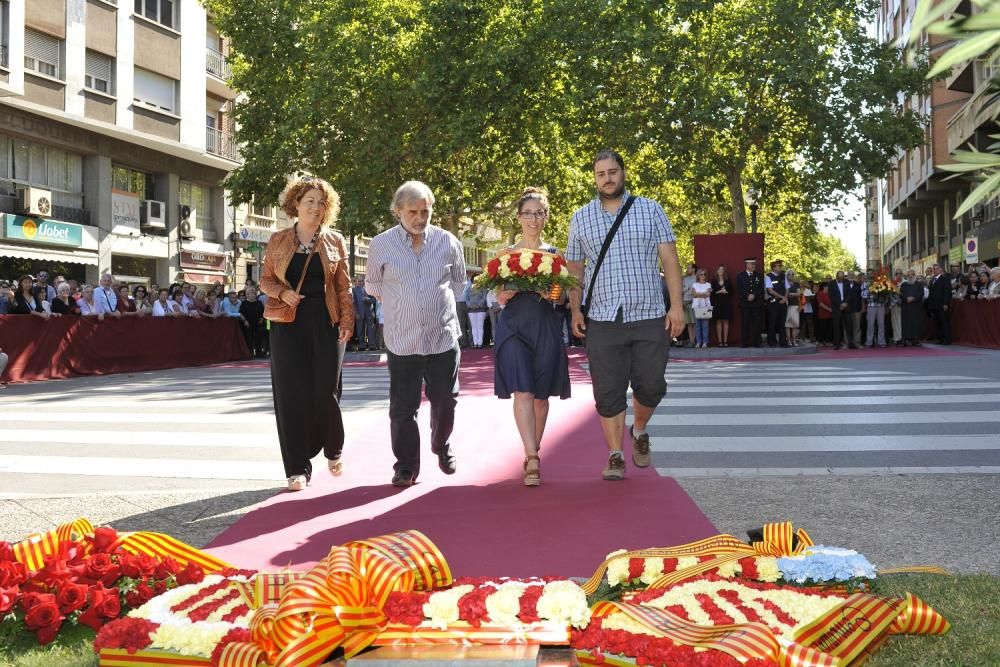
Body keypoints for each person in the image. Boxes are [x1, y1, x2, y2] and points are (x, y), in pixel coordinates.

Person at [566, 150, 684, 481]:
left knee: (652, 386)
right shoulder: (581, 218)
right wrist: (576, 309)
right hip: (602, 317)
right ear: (594, 178)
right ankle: (615, 454)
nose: (607, 178)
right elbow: (574, 269)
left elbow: (670, 261)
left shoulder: (651, 209)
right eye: (601, 173)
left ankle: (640, 428)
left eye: (613, 171)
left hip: (648, 313)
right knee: (607, 390)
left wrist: (677, 306)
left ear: (623, 173)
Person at [365, 180, 466, 488]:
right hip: (403, 340)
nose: (421, 217)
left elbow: (459, 285)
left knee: (445, 400)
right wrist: (403, 303)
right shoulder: (380, 244)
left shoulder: (449, 242)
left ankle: (441, 444)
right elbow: (372, 285)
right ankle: (406, 466)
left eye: (426, 210)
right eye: (413, 211)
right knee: (403, 409)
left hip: (442, 337)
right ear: (398, 212)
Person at [260, 176, 353, 491]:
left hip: (326, 321)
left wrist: (347, 321)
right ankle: (297, 469)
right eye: (309, 201)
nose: (315, 207)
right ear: (295, 205)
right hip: (288, 324)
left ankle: (333, 448)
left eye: (321, 202)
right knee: (291, 394)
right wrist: (282, 293)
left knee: (327, 390)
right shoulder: (278, 240)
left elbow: (343, 286)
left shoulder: (335, 241)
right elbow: (265, 280)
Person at [492, 187, 571, 486]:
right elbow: (498, 297)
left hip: (545, 327)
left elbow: (560, 296)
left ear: (546, 217)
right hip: (513, 327)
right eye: (528, 213)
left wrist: (546, 291)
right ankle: (533, 458)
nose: (533, 219)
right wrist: (505, 293)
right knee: (522, 390)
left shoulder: (554, 255)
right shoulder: (505, 255)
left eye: (539, 213)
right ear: (519, 217)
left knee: (540, 398)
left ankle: (532, 451)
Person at [737, 257, 765, 347]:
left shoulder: (759, 275)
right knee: (745, 322)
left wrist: (754, 295)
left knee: (757, 323)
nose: (753, 266)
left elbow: (761, 288)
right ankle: (744, 342)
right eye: (751, 264)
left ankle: (757, 342)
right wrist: (747, 295)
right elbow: (739, 288)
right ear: (747, 265)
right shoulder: (740, 275)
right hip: (745, 303)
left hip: (756, 303)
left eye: (754, 264)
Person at [828, 271, 856, 349]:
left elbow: (850, 294)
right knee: (837, 326)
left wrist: (845, 303)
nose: (841, 279)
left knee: (849, 325)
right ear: (836, 276)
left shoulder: (847, 282)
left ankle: (851, 343)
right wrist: (840, 304)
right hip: (837, 307)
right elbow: (831, 295)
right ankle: (837, 344)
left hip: (846, 307)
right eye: (840, 278)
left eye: (842, 277)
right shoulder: (831, 284)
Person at [926, 263, 951, 345]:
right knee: (937, 322)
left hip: (941, 304)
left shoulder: (944, 279)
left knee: (944, 322)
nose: (935, 270)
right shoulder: (933, 280)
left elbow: (947, 292)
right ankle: (940, 339)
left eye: (937, 268)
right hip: (934, 305)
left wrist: (946, 303)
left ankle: (947, 339)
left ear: (941, 269)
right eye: (934, 269)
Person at [765, 260, 789, 347]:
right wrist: (782, 297)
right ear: (773, 267)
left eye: (780, 266)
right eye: (777, 266)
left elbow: (787, 288)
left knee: (782, 323)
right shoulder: (768, 277)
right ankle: (772, 341)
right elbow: (770, 290)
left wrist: (785, 298)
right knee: (773, 322)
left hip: (783, 303)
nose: (779, 267)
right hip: (773, 303)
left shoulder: (783, 276)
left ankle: (783, 342)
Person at [239, 285, 268, 357]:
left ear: (255, 294)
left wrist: (262, 318)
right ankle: (249, 353)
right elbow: (241, 313)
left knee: (259, 338)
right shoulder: (244, 303)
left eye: (253, 293)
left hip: (258, 323)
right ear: (247, 295)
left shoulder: (259, 303)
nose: (252, 295)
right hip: (247, 323)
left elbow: (263, 313)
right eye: (250, 294)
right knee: (249, 339)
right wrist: (245, 321)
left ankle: (259, 353)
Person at [899, 269, 924, 346]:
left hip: (916, 307)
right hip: (906, 307)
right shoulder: (903, 285)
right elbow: (900, 294)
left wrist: (913, 298)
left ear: (914, 275)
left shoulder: (919, 284)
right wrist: (906, 298)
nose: (910, 276)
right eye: (909, 275)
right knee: (905, 324)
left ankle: (915, 340)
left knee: (915, 323)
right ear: (907, 276)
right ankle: (905, 340)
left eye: (912, 274)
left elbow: (921, 294)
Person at [351, 276, 376, 351]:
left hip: (369, 313)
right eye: (358, 281)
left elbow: (375, 299)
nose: (359, 282)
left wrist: (368, 299)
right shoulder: (354, 290)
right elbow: (354, 303)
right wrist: (356, 313)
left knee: (370, 329)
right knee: (360, 330)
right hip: (359, 313)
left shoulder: (369, 289)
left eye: (361, 281)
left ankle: (372, 345)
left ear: (364, 281)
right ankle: (362, 345)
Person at [711, 265, 732, 347]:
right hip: (717, 303)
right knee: (718, 322)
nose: (721, 271)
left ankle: (725, 341)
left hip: (726, 303)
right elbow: (711, 293)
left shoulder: (728, 280)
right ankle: (720, 341)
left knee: (726, 321)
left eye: (722, 270)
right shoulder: (713, 281)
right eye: (719, 269)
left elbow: (732, 291)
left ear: (724, 271)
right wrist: (719, 292)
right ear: (717, 271)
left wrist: (726, 292)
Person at [691, 269, 712, 347]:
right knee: (697, 325)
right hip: (696, 306)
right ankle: (698, 342)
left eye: (704, 274)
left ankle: (705, 342)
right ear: (698, 275)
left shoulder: (708, 284)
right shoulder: (694, 284)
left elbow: (708, 294)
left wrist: (698, 294)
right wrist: (703, 294)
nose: (703, 276)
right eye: (701, 274)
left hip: (706, 307)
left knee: (705, 325)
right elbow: (694, 295)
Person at [464, 282, 489, 349]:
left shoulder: (483, 289)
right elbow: (466, 298)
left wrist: (478, 305)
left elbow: (484, 297)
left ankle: (480, 343)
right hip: (471, 310)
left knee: (480, 326)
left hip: (481, 309)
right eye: (474, 280)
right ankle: (475, 344)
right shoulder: (469, 289)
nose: (475, 281)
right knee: (474, 327)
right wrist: (470, 305)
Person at [681, 262, 697, 346]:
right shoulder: (685, 279)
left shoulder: (697, 278)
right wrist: (687, 288)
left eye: (689, 268)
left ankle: (694, 340)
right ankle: (691, 341)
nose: (688, 270)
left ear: (694, 269)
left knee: (694, 322)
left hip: (694, 301)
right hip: (686, 301)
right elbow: (681, 291)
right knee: (689, 323)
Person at [783, 269, 801, 346]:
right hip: (786, 305)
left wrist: (791, 294)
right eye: (789, 274)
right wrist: (793, 294)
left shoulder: (796, 284)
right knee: (787, 324)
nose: (791, 275)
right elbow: (783, 294)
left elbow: (799, 293)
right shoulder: (783, 283)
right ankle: (788, 340)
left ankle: (794, 340)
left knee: (794, 324)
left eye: (792, 274)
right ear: (786, 275)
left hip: (795, 305)